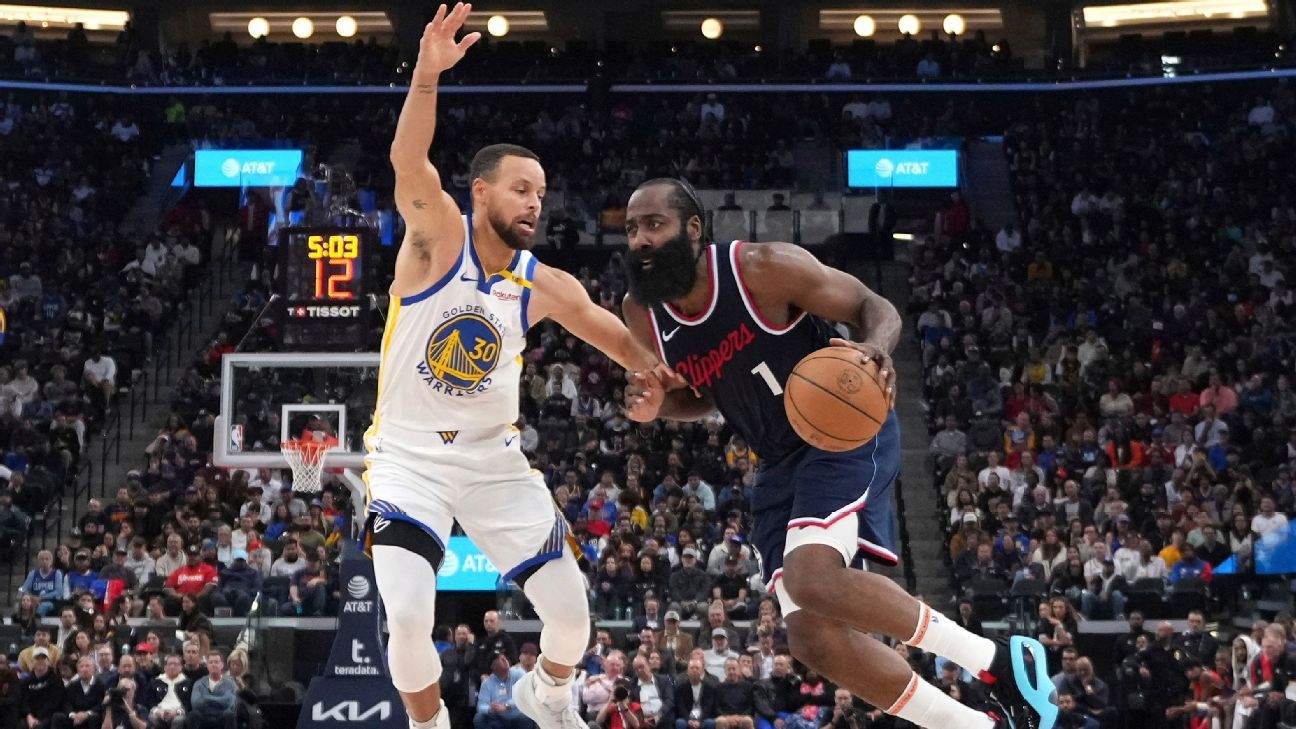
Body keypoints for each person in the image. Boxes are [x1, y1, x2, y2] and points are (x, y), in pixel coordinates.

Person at [621, 177, 1057, 729]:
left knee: (811, 579)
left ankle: (998, 661)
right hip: (778, 459)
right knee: (811, 638)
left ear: (692, 228)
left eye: (653, 224)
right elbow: (705, 394)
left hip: (842, 429)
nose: (640, 239)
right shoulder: (642, 312)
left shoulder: (761, 267)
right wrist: (658, 405)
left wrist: (874, 349)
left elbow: (873, 305)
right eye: (631, 229)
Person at [369, 7, 679, 729]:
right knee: (408, 616)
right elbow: (409, 162)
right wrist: (426, 75)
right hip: (409, 461)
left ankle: (548, 695)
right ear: (480, 191)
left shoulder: (542, 282)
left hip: (496, 463)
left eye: (540, 192)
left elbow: (615, 336)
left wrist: (658, 376)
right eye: (520, 189)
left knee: (573, 619)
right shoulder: (436, 238)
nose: (535, 202)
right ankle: (428, 723)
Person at [474, 654, 528, 729]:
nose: (505, 660)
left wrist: (507, 706)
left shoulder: (519, 674)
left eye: (505, 658)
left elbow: (524, 695)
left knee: (525, 718)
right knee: (479, 718)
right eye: (501, 659)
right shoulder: (487, 683)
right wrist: (490, 709)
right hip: (498, 717)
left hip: (518, 715)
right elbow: (481, 706)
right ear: (493, 666)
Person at [188, 653, 236, 729]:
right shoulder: (199, 683)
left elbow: (229, 703)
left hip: (222, 715)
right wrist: (220, 700)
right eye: (210, 662)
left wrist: (206, 698)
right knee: (193, 715)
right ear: (207, 665)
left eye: (216, 662)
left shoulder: (230, 683)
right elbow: (196, 703)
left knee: (230, 715)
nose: (213, 664)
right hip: (203, 715)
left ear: (222, 665)